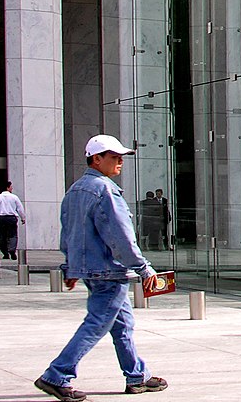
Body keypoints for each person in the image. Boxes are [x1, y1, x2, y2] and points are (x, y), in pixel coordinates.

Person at [34, 134, 166, 400]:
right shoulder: (106, 191)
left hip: (92, 271)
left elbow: (68, 233)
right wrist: (144, 268)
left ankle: (136, 376)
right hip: (109, 271)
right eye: (114, 157)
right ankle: (56, 375)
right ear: (96, 159)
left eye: (121, 157)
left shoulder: (74, 191)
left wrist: (70, 267)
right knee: (96, 325)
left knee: (123, 325)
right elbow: (120, 237)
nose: (120, 162)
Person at [0, 181, 27, 260]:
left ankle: (5, 252)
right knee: (13, 235)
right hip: (11, 218)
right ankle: (12, 250)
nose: (12, 188)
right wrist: (23, 218)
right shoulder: (14, 197)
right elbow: (20, 208)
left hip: (2, 218)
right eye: (11, 186)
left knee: (2, 236)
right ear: (8, 187)